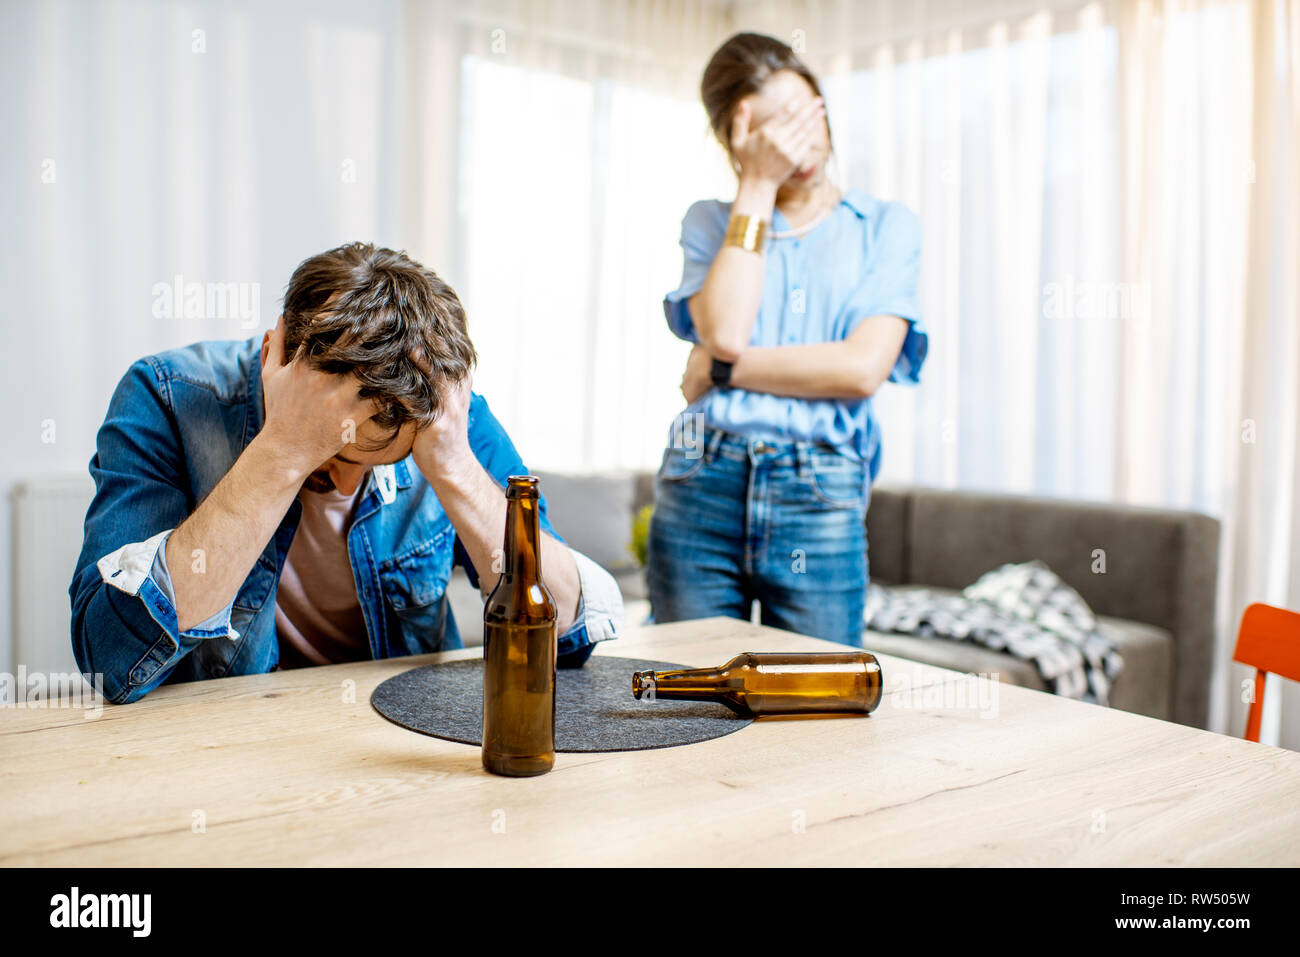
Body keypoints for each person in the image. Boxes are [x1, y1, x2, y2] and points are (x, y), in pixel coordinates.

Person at [71, 242, 623, 704]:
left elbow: (567, 635)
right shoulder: (166, 395)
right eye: (326, 459)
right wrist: (284, 451)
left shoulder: (447, 414)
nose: (340, 486)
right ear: (275, 358)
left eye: (369, 464)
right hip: (223, 750)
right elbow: (112, 659)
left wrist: (453, 467)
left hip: (393, 740)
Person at [647, 32, 928, 646]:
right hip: (703, 474)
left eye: (805, 116)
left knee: (817, 698)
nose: (796, 139)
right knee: (685, 695)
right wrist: (757, 186)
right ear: (736, 140)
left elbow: (859, 370)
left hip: (819, 488)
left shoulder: (885, 227)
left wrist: (721, 372)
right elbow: (724, 330)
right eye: (773, 127)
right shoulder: (710, 221)